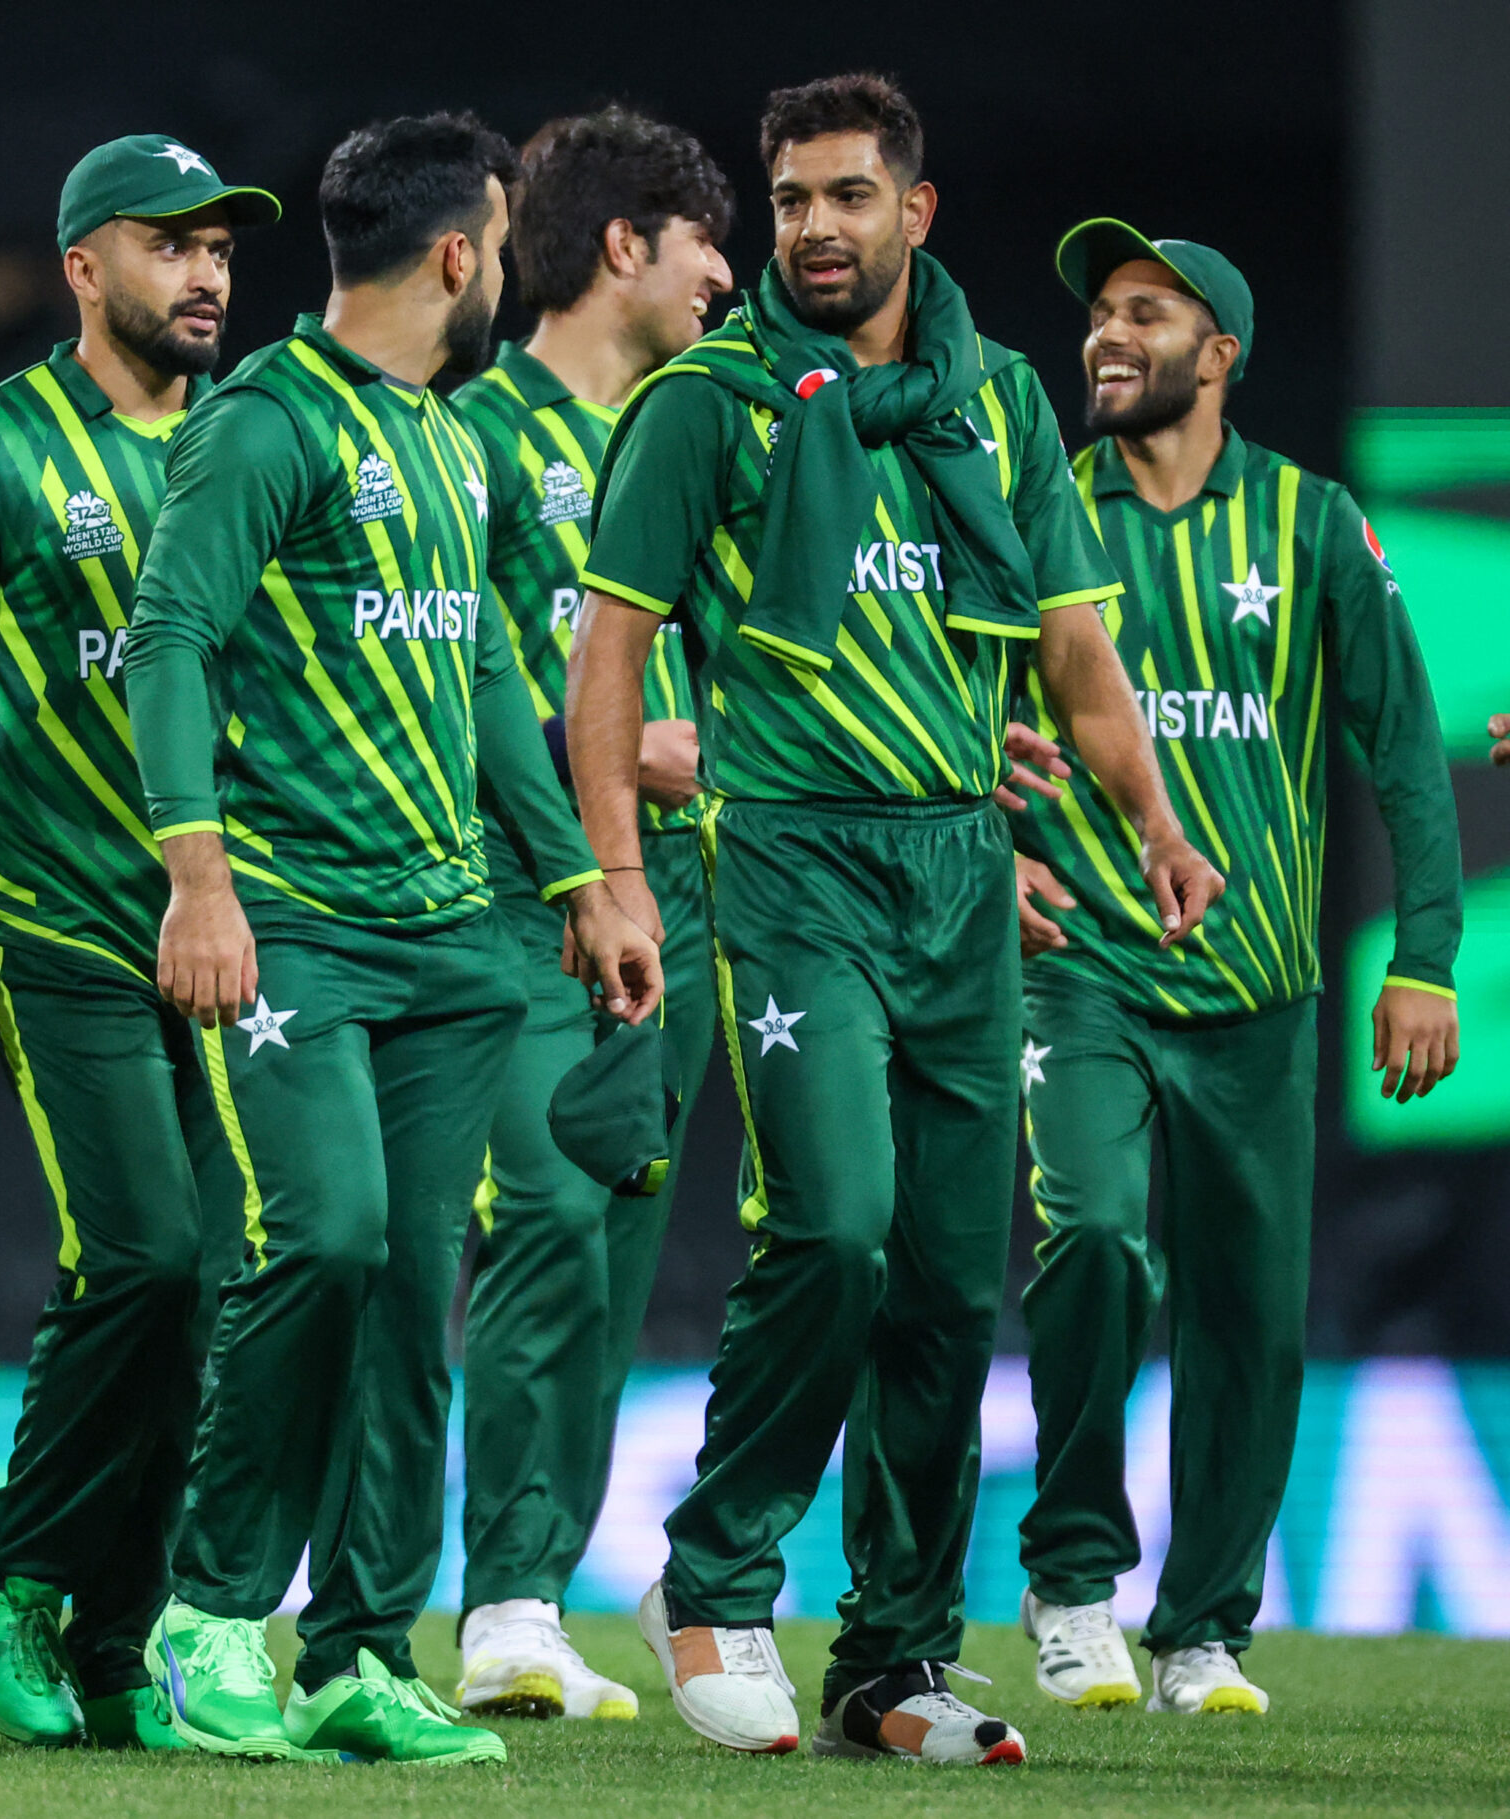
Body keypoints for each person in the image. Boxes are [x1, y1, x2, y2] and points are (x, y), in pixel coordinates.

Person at [564, 74, 1222, 1766]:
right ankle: (714, 1573)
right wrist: (619, 873)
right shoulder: (707, 404)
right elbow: (608, 660)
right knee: (839, 1228)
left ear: (915, 211)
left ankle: (894, 1657)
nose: (814, 228)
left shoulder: (995, 401)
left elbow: (1076, 651)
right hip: (791, 862)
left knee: (942, 1278)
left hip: (959, 874)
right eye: (789, 199)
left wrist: (1155, 820)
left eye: (848, 195)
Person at [125, 111, 662, 1767]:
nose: (506, 270)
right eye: (500, 243)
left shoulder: (447, 437)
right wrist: (199, 877)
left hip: (450, 939)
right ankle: (211, 1612)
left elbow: (486, 666)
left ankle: (360, 1645)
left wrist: (575, 879)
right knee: (330, 1237)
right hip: (297, 923)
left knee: (416, 1282)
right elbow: (169, 638)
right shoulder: (265, 421)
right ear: (457, 253)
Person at [0, 133, 277, 1752]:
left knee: (216, 1277)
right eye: (169, 244)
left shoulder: (255, 438)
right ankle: (16, 1581)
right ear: (83, 267)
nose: (206, 273)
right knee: (148, 1252)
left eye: (219, 246)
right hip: (67, 918)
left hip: (242, 926)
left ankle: (114, 1633)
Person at [1011, 221, 1460, 1717]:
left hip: (1259, 991)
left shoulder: (1313, 521)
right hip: (1081, 968)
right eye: (1101, 311)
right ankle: (1075, 1578)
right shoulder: (1034, 511)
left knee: (1250, 1322)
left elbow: (1404, 745)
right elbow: (949, 713)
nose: (1108, 333)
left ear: (1222, 354)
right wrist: (994, 856)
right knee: (1092, 1240)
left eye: (1146, 312)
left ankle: (1202, 1629)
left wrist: (1426, 958)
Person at [448, 105, 733, 1724]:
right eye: (705, 245)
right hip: (520, 899)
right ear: (624, 244)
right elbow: (416, 683)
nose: (725, 279)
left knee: (616, 1252)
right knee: (546, 1216)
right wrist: (601, 747)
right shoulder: (477, 437)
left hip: (681, 902)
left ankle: (539, 1594)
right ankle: (492, 1600)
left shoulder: (699, 438)